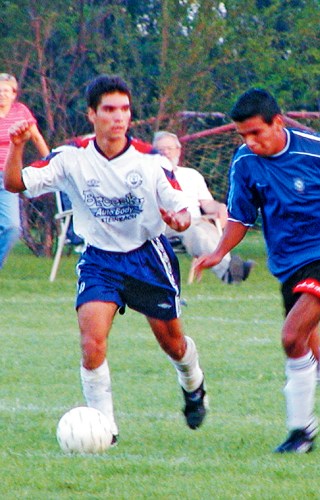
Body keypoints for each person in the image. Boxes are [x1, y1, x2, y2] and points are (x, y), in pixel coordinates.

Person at [5, 75, 208, 442]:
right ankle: (105, 428)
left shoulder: (150, 160)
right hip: (100, 261)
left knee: (173, 344)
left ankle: (193, 382)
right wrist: (17, 148)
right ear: (92, 114)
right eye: (109, 110)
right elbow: (16, 184)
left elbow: (181, 203)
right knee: (91, 344)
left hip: (147, 257)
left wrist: (182, 218)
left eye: (125, 110)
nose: (118, 117)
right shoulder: (71, 157)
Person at [193, 88, 320, 453]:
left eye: (257, 132)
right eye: (243, 135)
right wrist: (218, 252)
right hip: (289, 259)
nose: (250, 142)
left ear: (278, 122)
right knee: (306, 344)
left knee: (291, 336)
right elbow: (240, 217)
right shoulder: (245, 163)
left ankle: (301, 432)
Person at [153, 131, 254, 284]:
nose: (166, 153)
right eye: (160, 150)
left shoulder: (192, 175)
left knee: (208, 229)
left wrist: (220, 207)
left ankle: (230, 267)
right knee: (195, 231)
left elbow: (207, 204)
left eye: (170, 148)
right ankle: (228, 270)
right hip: (169, 224)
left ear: (178, 151)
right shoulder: (151, 176)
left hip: (197, 220)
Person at [0, 72, 49, 269]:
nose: (2, 94)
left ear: (14, 94)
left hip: (8, 178)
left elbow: (36, 138)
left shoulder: (20, 112)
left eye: (6, 91)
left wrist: (51, 162)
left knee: (12, 227)